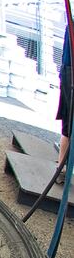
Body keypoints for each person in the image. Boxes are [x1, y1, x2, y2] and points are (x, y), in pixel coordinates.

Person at [57, 25, 72, 179]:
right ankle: (61, 169)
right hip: (69, 73)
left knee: (67, 127)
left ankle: (61, 169)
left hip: (67, 72)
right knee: (68, 127)